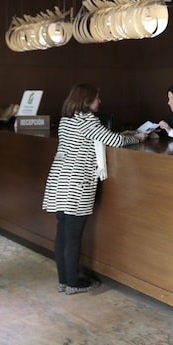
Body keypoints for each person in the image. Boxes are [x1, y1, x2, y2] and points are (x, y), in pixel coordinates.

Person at [42, 83, 146, 295]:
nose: (100, 101)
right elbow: (114, 141)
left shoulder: (67, 119)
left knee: (62, 234)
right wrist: (136, 138)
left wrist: (121, 133)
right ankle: (73, 283)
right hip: (76, 184)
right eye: (97, 98)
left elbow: (98, 137)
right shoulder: (88, 119)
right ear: (86, 100)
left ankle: (64, 280)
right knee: (73, 236)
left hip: (59, 181)